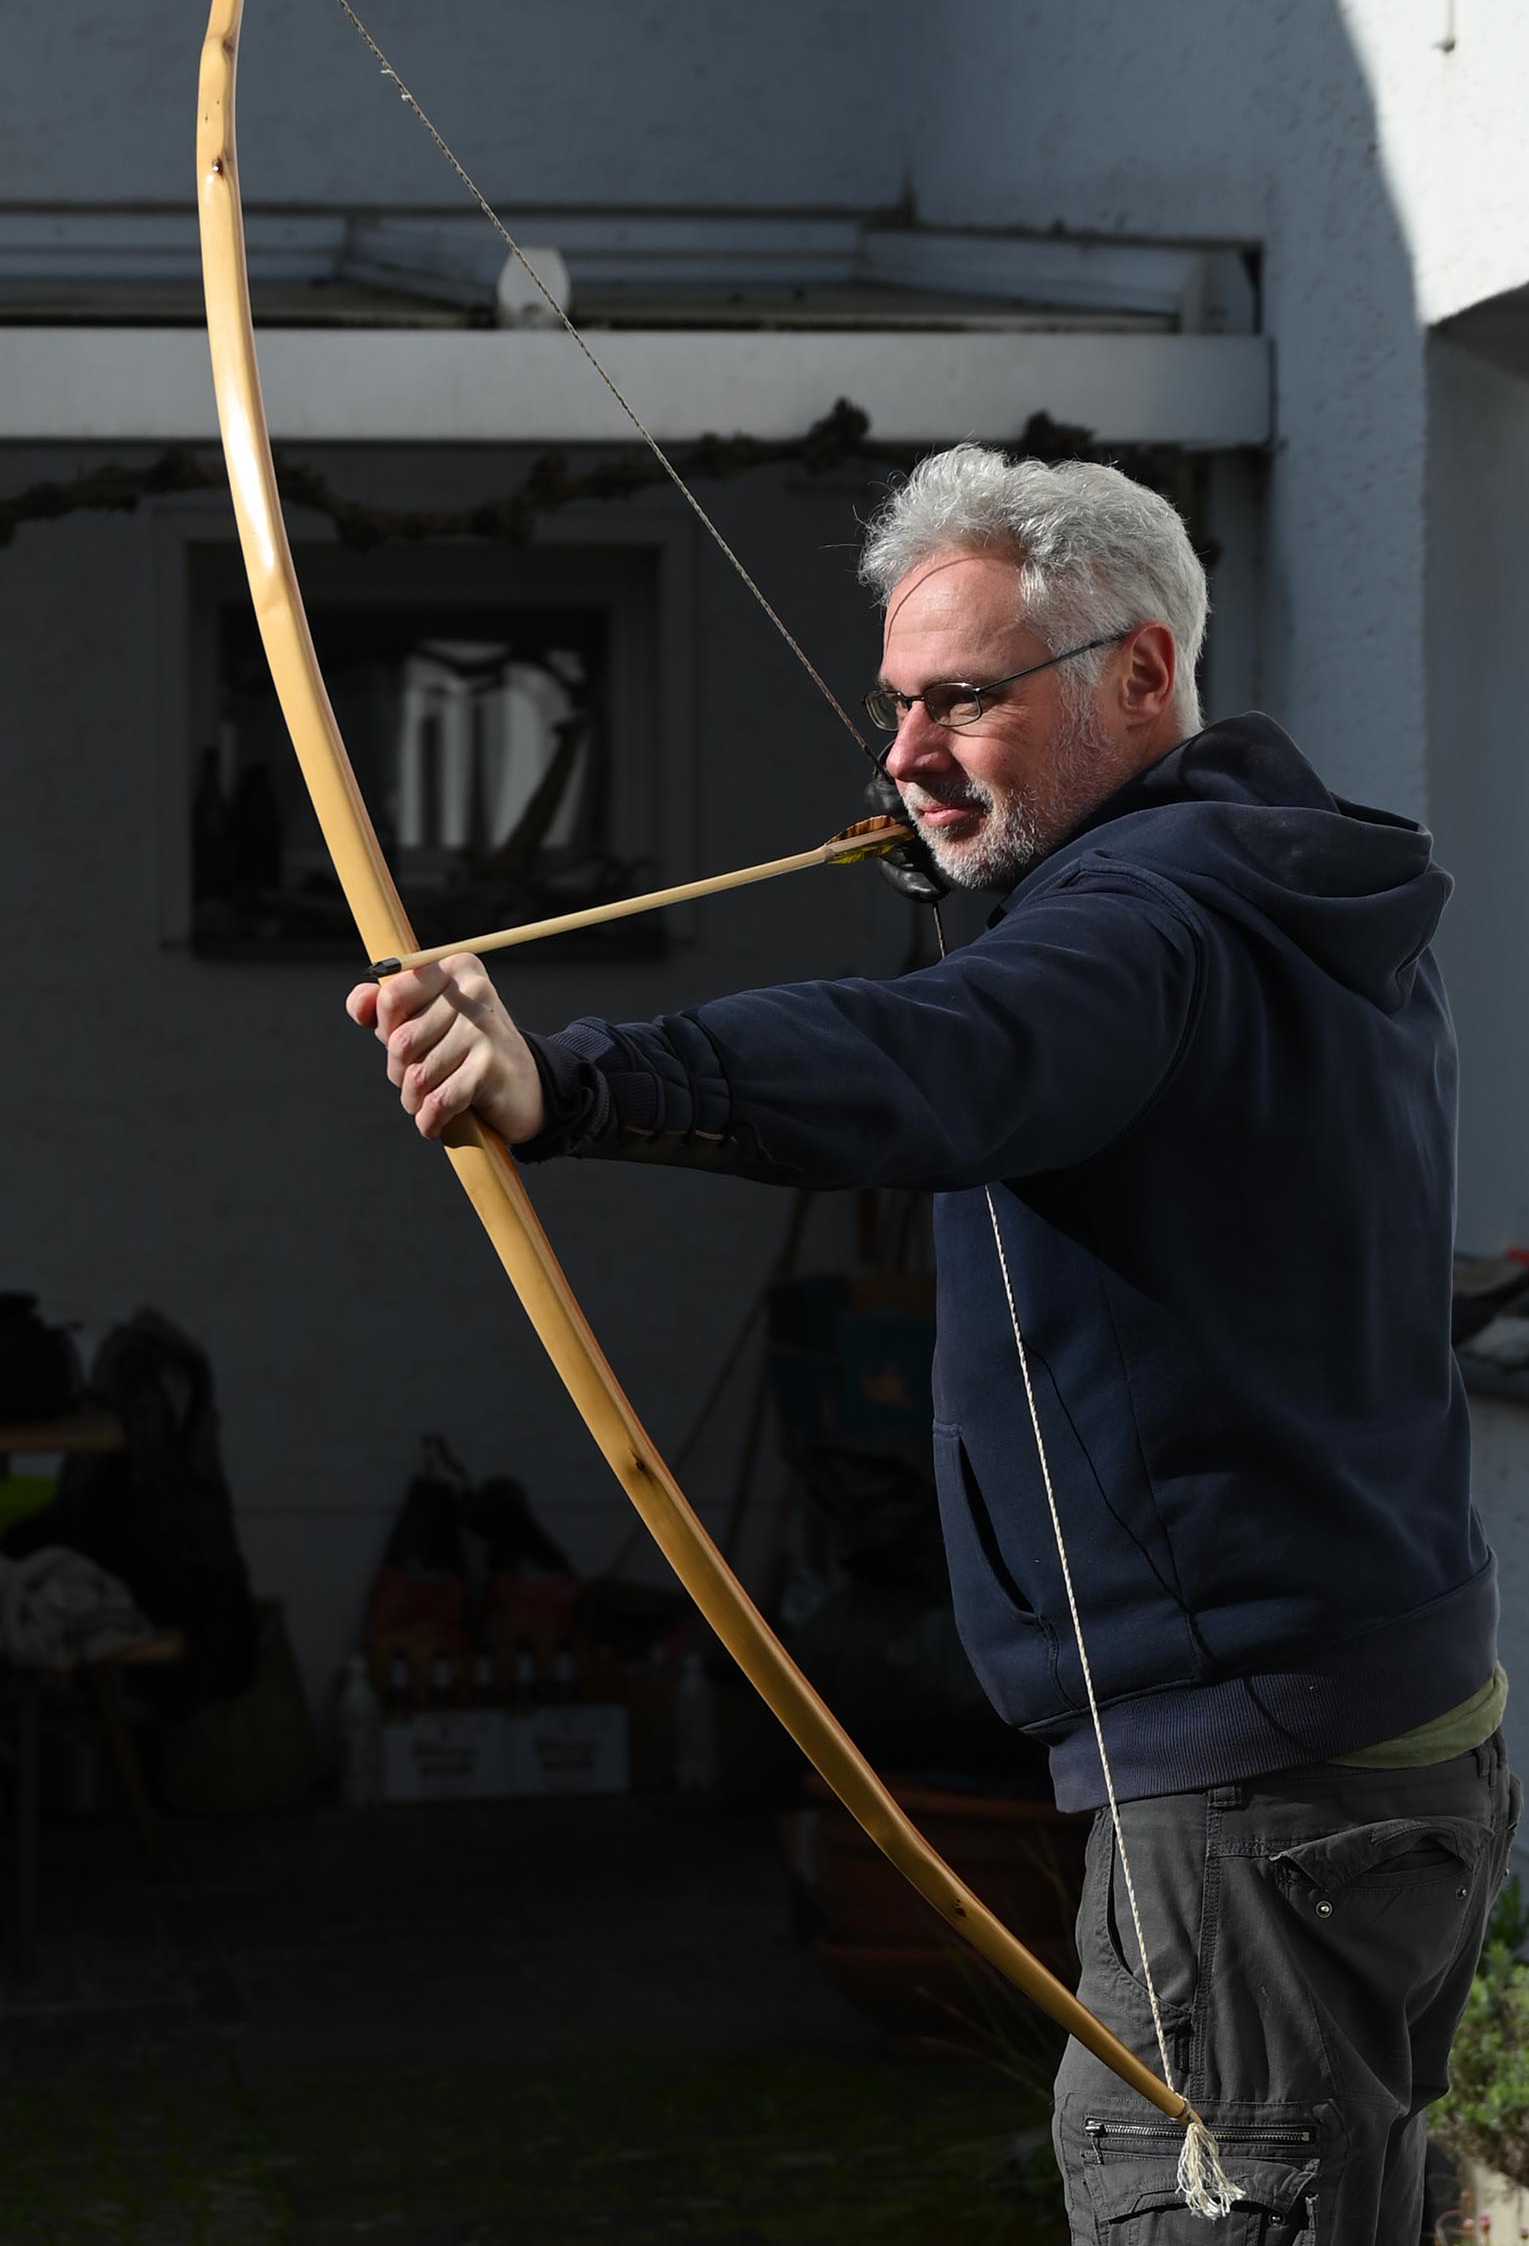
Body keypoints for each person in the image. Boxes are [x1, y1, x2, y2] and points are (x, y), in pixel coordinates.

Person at [347, 448, 1515, 2241]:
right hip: (1388, 1721)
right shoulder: (1289, 896)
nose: (904, 754)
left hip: (1248, 1778)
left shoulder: (1145, 927)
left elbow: (947, 1052)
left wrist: (568, 1083)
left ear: (1141, 673)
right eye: (895, 704)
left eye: (964, 699)